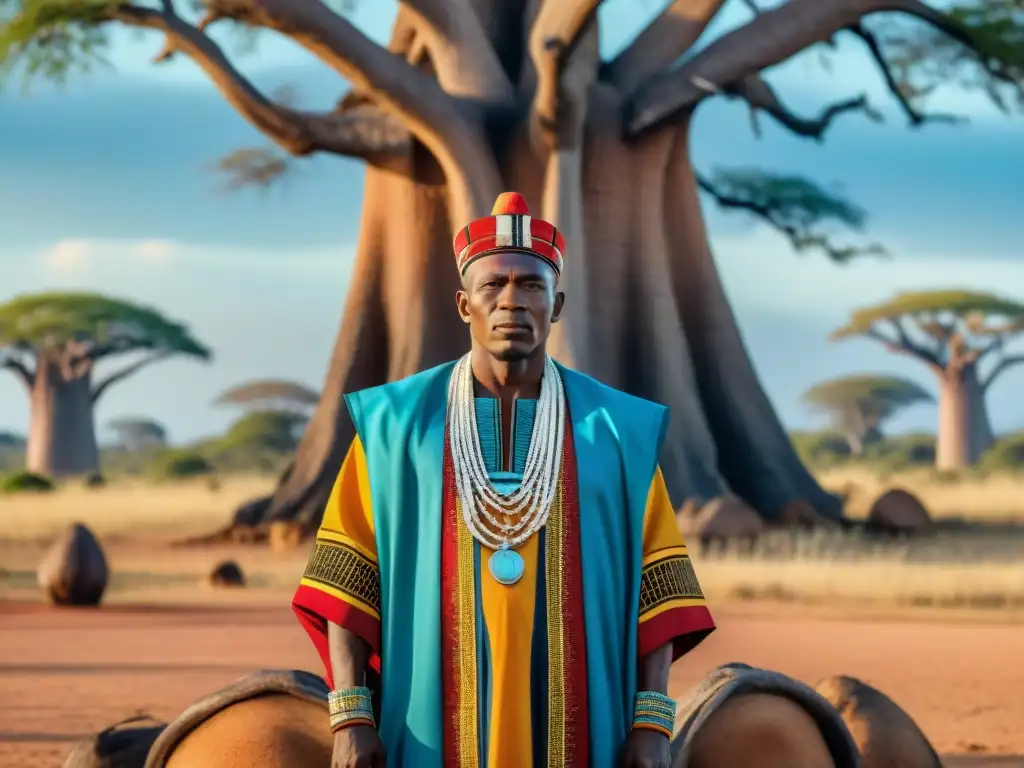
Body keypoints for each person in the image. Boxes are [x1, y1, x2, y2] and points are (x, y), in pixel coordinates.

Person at [292, 192, 716, 768]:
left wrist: (651, 721)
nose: (511, 301)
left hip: (588, 728)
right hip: (425, 726)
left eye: (531, 286)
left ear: (557, 304)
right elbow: (346, 582)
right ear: (465, 304)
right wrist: (351, 716)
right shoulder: (395, 428)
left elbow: (657, 587)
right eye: (493, 286)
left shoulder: (618, 431)